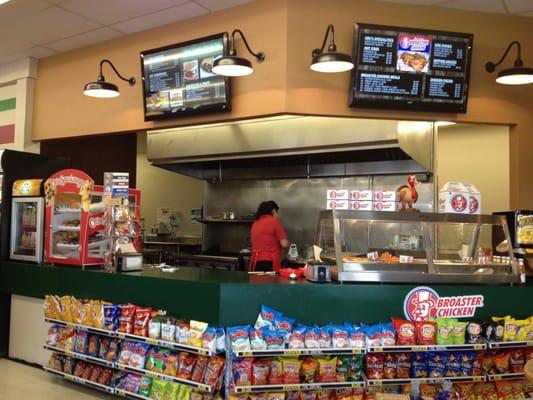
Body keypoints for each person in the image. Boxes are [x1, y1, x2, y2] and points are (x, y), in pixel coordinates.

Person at [249, 200, 289, 272]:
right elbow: (284, 244)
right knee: (269, 283)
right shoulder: (275, 223)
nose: (277, 215)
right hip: (269, 263)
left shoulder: (255, 223)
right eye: (277, 212)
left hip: (255, 262)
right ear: (273, 211)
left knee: (256, 282)